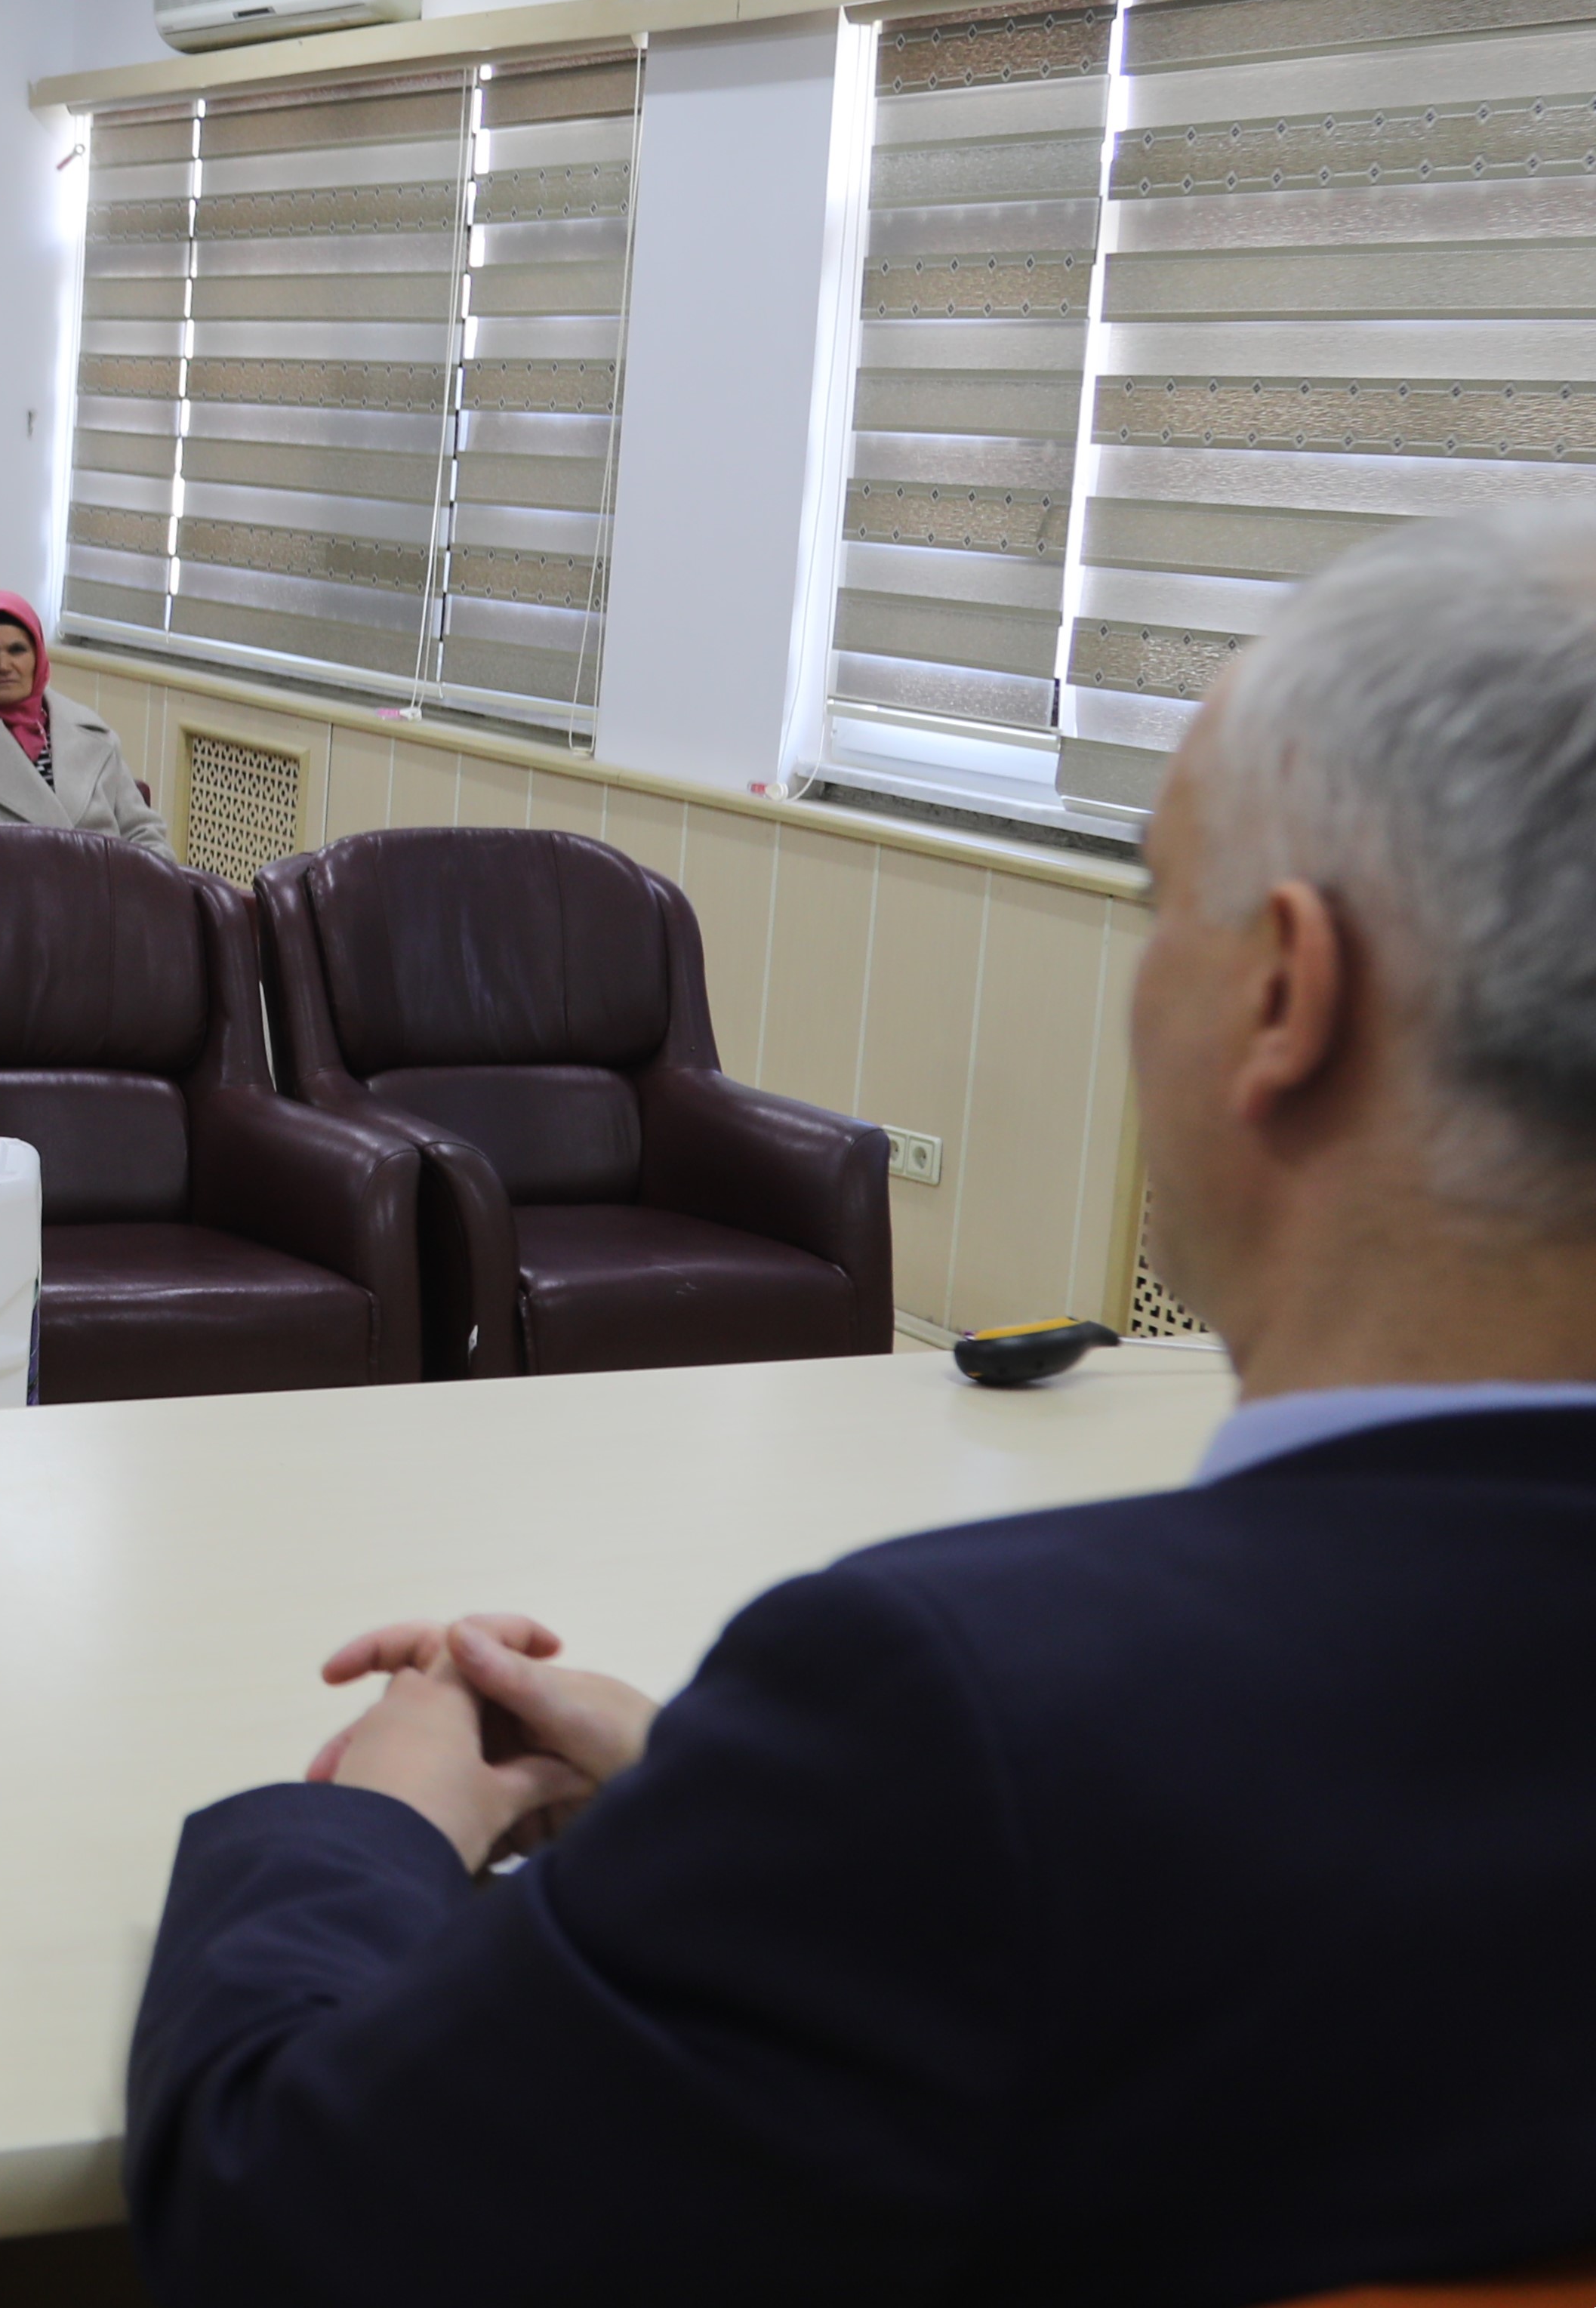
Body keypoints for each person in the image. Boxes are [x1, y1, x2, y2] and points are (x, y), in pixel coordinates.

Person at [122, 505, 1596, 2302]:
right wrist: (720, 1801)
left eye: (1158, 903)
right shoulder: (971, 1773)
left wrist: (378, 1821)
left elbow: (284, 2218)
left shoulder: (959, 1715)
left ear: (1283, 993)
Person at [0, 590, 163, 846]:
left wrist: (148, 879)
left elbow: (143, 833)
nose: (3, 666)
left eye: (17, 650)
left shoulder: (93, 732)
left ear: (38, 656)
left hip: (109, 880)